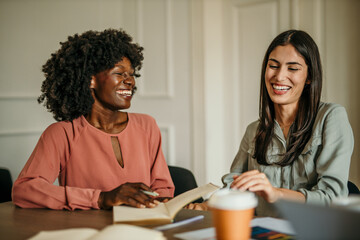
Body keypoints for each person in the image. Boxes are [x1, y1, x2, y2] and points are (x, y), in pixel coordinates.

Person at [188, 30, 354, 217]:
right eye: (273, 66)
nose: (279, 76)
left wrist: (276, 193)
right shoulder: (254, 130)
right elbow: (233, 187)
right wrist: (205, 206)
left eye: (292, 68)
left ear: (309, 77)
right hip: (263, 231)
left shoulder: (331, 117)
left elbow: (332, 198)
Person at [12, 29, 175, 210]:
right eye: (120, 73)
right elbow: (24, 190)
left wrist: (167, 204)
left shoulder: (147, 126)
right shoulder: (63, 133)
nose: (130, 81)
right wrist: (101, 198)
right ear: (91, 80)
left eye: (132, 74)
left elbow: (162, 188)